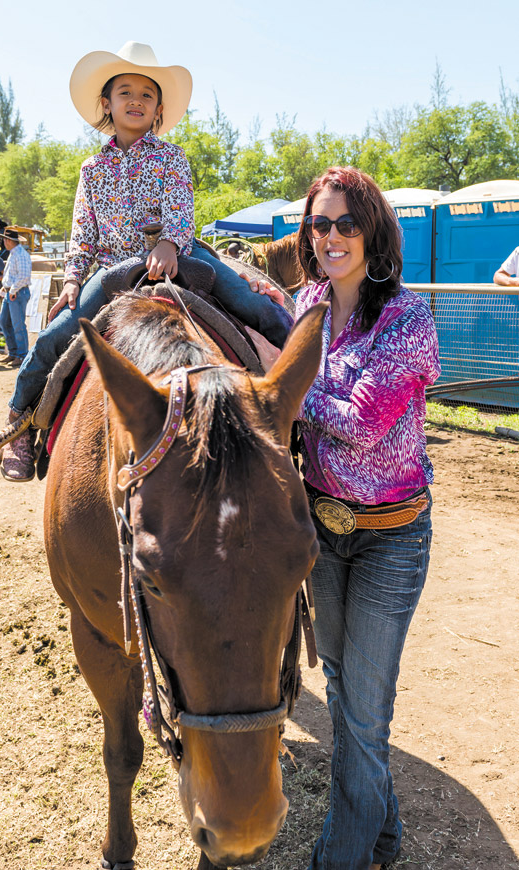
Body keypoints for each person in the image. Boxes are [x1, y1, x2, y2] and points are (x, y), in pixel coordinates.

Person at [253, 165, 440, 870]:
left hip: (392, 538)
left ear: (372, 231)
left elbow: (362, 423)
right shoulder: (305, 304)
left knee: (361, 714)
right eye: (320, 224)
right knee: (342, 688)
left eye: (346, 223)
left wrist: (279, 391)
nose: (331, 236)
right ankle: (385, 834)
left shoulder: (407, 318)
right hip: (324, 532)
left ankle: (340, 856)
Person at [0, 39, 291, 482]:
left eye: (146, 94)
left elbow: (181, 210)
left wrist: (170, 243)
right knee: (53, 338)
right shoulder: (92, 169)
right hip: (115, 272)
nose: (136, 100)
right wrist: (74, 279)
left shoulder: (171, 157)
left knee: (259, 308)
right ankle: (19, 423)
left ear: (157, 109)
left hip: (182, 261)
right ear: (107, 103)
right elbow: (83, 234)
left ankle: (309, 392)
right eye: (125, 92)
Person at [0, 228, 32, 367]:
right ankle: (14, 352)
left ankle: (22, 355)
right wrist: (6, 286)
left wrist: (11, 289)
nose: (4, 242)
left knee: (17, 324)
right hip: (13, 291)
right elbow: (14, 274)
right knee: (4, 322)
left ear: (10, 241)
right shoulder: (14, 254)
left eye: (5, 239)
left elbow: (23, 276)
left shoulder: (20, 254)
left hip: (16, 292)